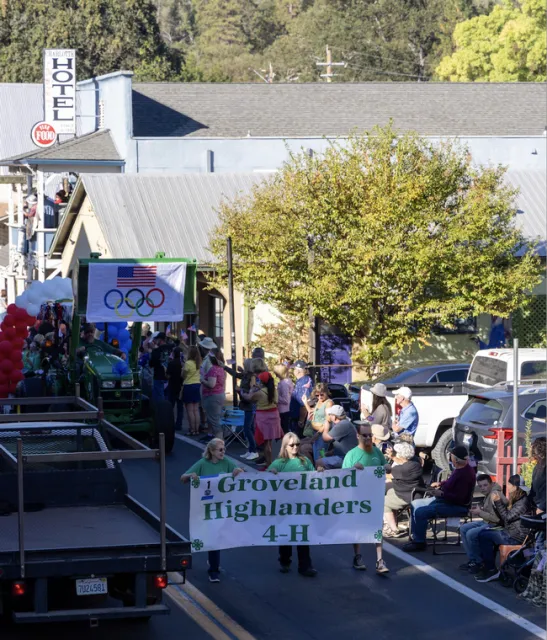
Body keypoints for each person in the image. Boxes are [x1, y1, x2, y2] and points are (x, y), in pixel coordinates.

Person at [180, 438, 244, 583]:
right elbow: (182, 478)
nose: (223, 452)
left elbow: (238, 472)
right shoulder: (202, 464)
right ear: (211, 451)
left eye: (224, 450)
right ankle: (213, 570)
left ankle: (213, 564)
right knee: (213, 537)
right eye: (220, 450)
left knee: (217, 538)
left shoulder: (226, 462)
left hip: (222, 507)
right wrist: (191, 476)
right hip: (206, 508)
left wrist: (238, 471)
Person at [403, 445, 476, 552]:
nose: (450, 457)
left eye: (451, 456)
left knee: (420, 512)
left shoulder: (465, 474)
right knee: (415, 504)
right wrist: (441, 483)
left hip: (456, 506)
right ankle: (417, 536)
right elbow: (451, 482)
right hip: (447, 500)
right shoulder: (460, 468)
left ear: (455, 459)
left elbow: (460, 498)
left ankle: (419, 543)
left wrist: (441, 494)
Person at [342, 422, 389, 574]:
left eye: (370, 435)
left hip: (374, 497)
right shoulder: (351, 455)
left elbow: (385, 465)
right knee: (357, 528)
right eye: (365, 435)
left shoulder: (376, 452)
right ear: (358, 436)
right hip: (356, 498)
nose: (368, 438)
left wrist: (388, 467)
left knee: (377, 527)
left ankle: (380, 561)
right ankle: (357, 556)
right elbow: (341, 477)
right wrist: (352, 469)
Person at [268, 433, 317, 577]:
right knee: (285, 535)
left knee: (302, 534)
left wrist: (319, 473)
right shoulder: (278, 463)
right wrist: (272, 474)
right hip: (284, 506)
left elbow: (314, 478)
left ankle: (305, 566)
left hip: (302, 504)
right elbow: (265, 481)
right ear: (285, 446)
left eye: (297, 444)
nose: (295, 447)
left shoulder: (304, 461)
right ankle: (284, 560)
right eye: (292, 445)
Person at [475, 474, 531, 583]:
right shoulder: (519, 499)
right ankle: (487, 566)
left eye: (509, 484)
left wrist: (497, 501)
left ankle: (491, 570)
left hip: (515, 536)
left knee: (484, 535)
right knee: (484, 533)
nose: (508, 487)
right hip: (512, 532)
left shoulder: (522, 502)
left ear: (515, 487)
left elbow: (507, 518)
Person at [458, 474, 504, 574]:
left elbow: (496, 519)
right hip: (486, 521)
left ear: (491, 484)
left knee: (471, 534)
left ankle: (480, 562)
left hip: (495, 525)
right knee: (463, 528)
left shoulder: (495, 495)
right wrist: (481, 510)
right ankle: (473, 560)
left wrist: (480, 512)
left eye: (485, 485)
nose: (483, 488)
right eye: (480, 486)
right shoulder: (489, 493)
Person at [383, 441, 425, 538]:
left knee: (384, 502)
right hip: (418, 493)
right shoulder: (416, 464)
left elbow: (385, 474)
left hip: (407, 496)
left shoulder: (401, 469)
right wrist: (393, 457)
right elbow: (402, 462)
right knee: (390, 492)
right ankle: (394, 523)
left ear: (400, 455)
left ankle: (393, 529)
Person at [241, 371, 283, 468]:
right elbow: (276, 401)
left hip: (263, 417)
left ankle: (269, 464)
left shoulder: (259, 392)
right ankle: (272, 462)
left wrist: (248, 390)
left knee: (266, 443)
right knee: (271, 442)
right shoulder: (273, 390)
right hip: (274, 415)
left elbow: (248, 398)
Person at [315, 405, 357, 470]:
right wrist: (327, 454)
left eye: (330, 415)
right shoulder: (344, 423)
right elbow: (341, 447)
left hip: (346, 458)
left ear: (334, 417)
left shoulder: (342, 425)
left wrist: (326, 427)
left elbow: (325, 439)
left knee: (319, 463)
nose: (328, 416)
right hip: (345, 456)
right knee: (321, 459)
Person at [302, 383, 334, 462]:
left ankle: (320, 471)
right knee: (301, 446)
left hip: (321, 435)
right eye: (317, 395)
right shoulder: (319, 402)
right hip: (314, 433)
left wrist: (318, 433)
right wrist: (305, 402)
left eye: (322, 395)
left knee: (319, 458)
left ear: (326, 392)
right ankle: (311, 469)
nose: (319, 397)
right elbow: (311, 412)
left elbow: (328, 422)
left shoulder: (328, 403)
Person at [236, 359, 259, 461]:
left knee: (247, 428)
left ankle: (254, 450)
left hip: (250, 405)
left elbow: (251, 391)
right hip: (247, 405)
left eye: (245, 365)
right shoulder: (247, 375)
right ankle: (251, 449)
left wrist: (240, 391)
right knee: (250, 428)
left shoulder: (252, 377)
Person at [200, 351, 226, 438]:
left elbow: (211, 384)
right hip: (219, 394)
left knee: (214, 421)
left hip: (212, 396)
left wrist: (202, 380)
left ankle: (219, 443)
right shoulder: (221, 369)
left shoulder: (213, 369)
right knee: (216, 418)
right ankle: (218, 441)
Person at [182, 346, 202, 435]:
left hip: (188, 385)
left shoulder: (188, 363)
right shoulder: (199, 363)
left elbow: (183, 375)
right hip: (197, 385)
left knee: (190, 410)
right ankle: (197, 430)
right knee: (196, 410)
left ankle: (192, 429)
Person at [289, 360, 313, 435]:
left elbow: (303, 403)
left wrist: (301, 420)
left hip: (300, 418)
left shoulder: (303, 382)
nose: (293, 371)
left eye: (294, 369)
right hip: (299, 416)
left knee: (299, 441)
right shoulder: (304, 380)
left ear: (298, 371)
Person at [149, 332, 171, 401]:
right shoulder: (171, 348)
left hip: (159, 376)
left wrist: (153, 350)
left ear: (160, 340)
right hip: (170, 376)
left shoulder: (156, 350)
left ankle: (161, 411)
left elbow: (151, 364)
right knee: (168, 396)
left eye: (156, 339)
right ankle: (167, 410)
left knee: (159, 397)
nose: (155, 341)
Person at [166, 347, 184, 431]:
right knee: (180, 407)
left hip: (172, 386)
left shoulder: (171, 363)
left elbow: (168, 376)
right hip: (180, 386)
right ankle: (179, 424)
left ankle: (170, 423)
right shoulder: (183, 364)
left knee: (170, 406)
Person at [274, 364, 294, 434]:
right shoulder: (286, 382)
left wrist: (276, 397)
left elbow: (286, 400)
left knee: (284, 431)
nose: (275, 375)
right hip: (284, 409)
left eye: (276, 374)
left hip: (284, 410)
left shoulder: (284, 384)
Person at [529, 437, 546, 515]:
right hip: (536, 505)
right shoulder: (538, 466)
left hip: (543, 507)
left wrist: (542, 507)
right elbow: (533, 488)